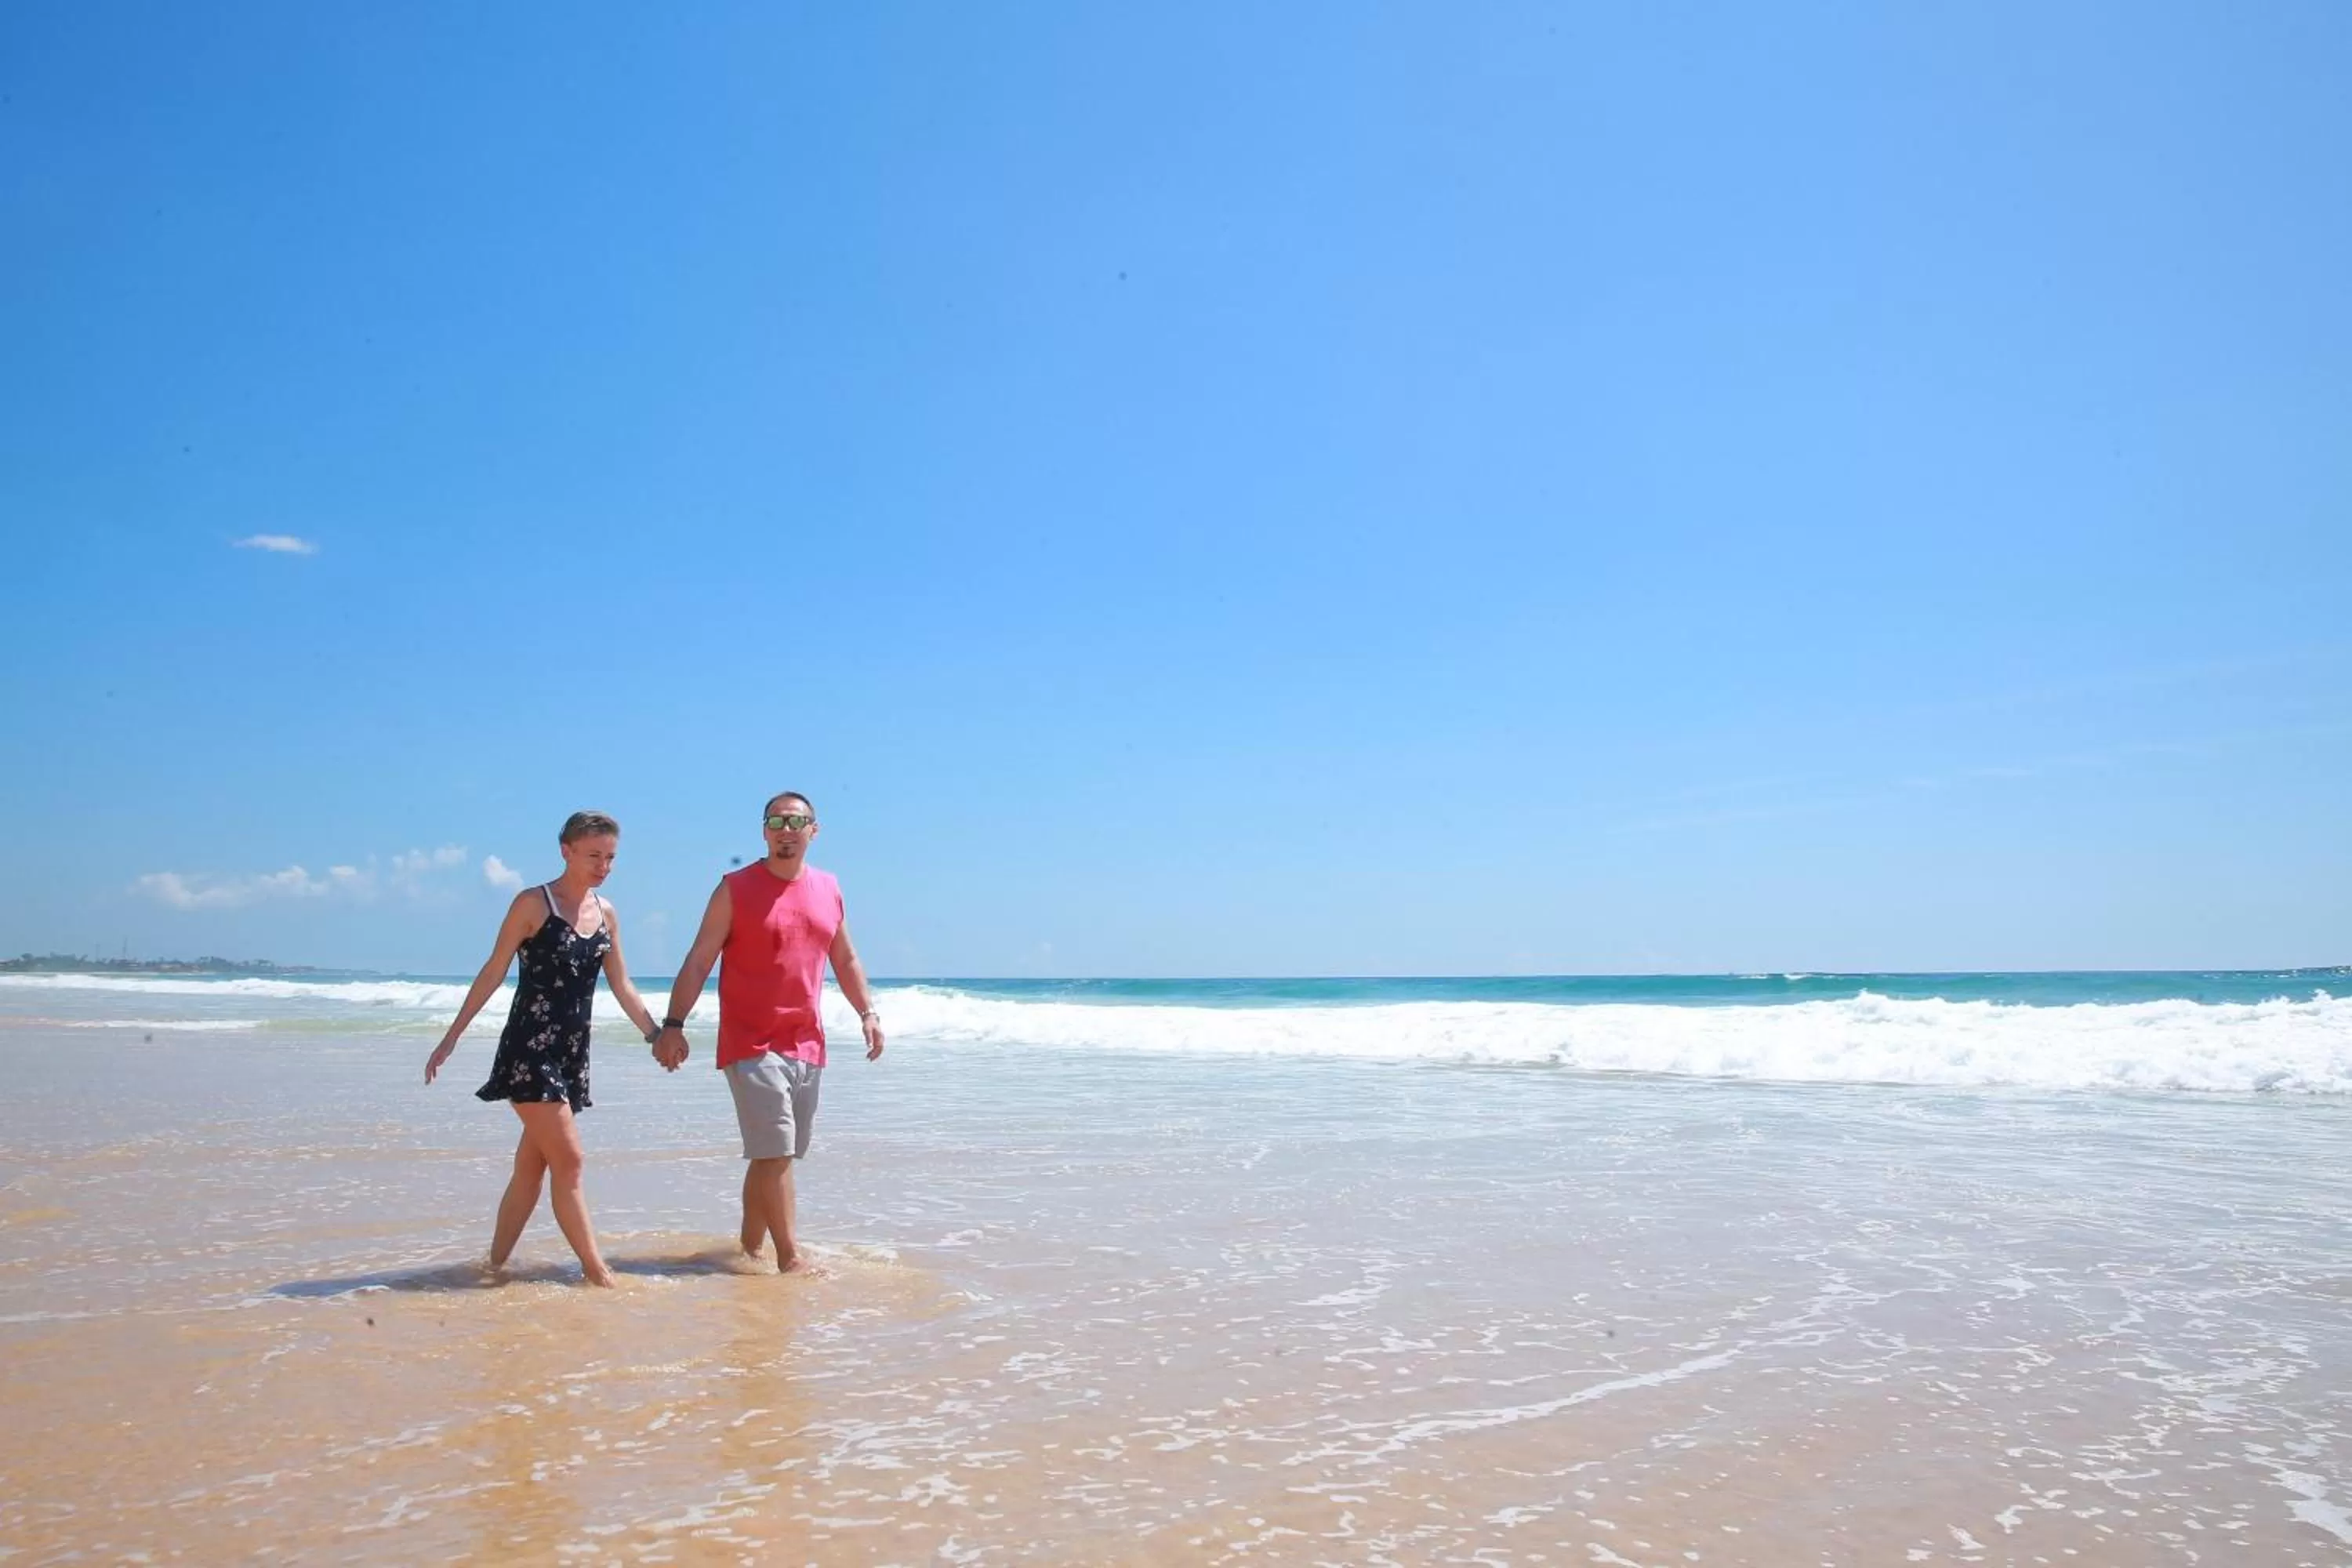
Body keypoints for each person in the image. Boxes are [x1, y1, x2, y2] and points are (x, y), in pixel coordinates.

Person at [425, 811, 669, 1287]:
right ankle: (597, 1272)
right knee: (571, 1160)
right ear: (567, 851)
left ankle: (492, 1268)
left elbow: (621, 984)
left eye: (610, 858)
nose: (603, 866)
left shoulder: (607, 913)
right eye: (593, 855)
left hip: (571, 1054)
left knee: (531, 1168)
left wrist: (656, 1034)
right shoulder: (533, 904)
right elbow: (494, 971)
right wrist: (452, 1036)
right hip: (528, 1050)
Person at [653, 791, 884, 1274]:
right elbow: (700, 959)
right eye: (776, 821)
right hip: (751, 1041)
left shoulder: (829, 888)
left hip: (806, 1042)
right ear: (764, 831)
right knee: (776, 1151)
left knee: (773, 1156)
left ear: (813, 831)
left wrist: (868, 1012)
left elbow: (845, 958)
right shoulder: (735, 888)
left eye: (796, 822)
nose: (785, 830)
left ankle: (748, 1249)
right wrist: (673, 1026)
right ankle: (790, 1258)